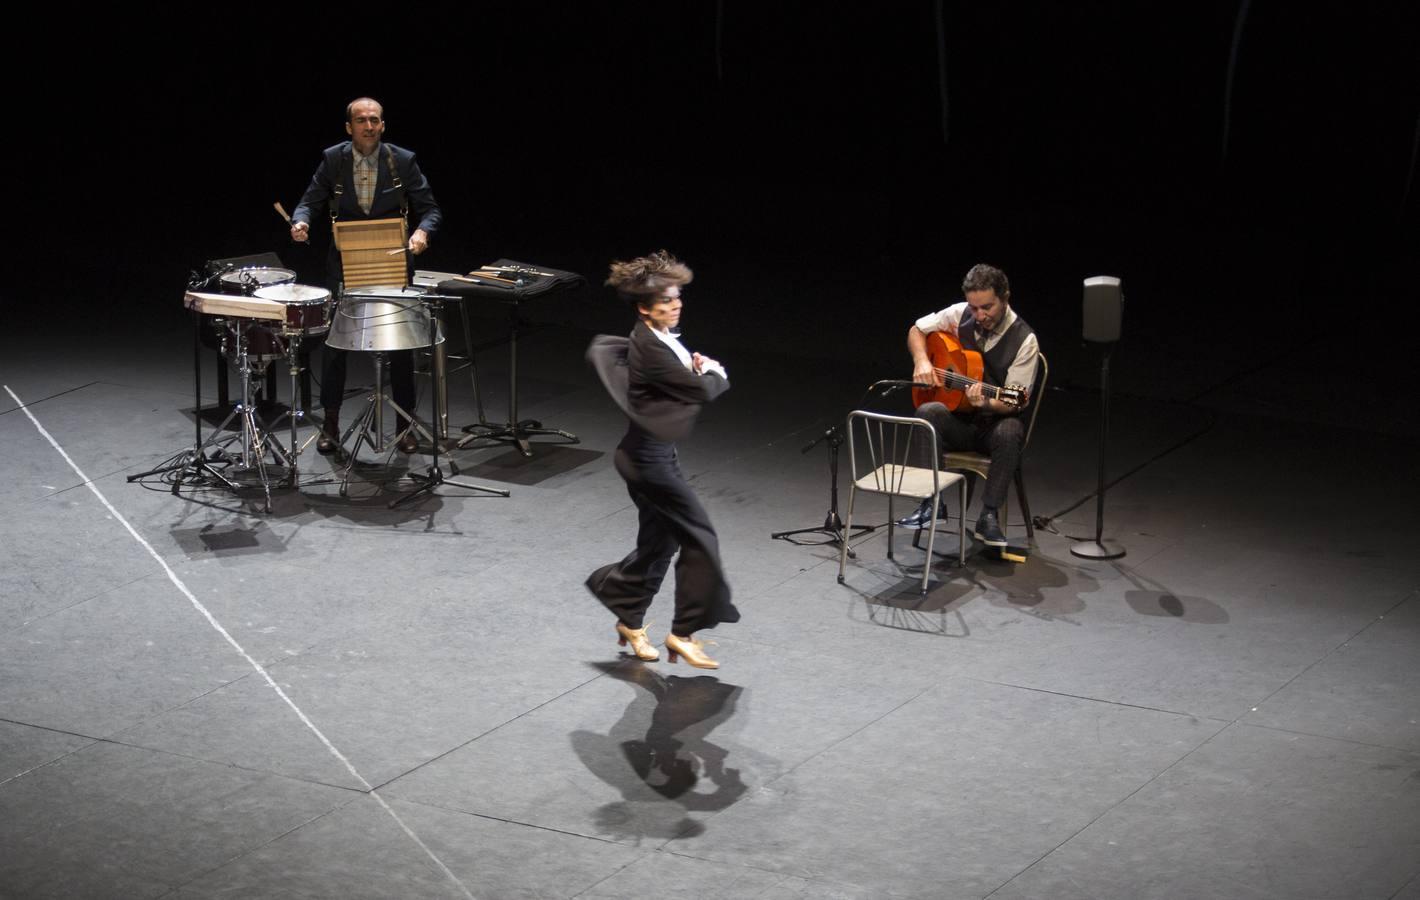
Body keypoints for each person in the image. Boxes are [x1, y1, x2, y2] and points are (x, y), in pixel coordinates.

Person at [585, 251, 739, 669]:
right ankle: (683, 633)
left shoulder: (659, 335)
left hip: (648, 455)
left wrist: (693, 368)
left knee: (661, 541)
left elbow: (680, 380)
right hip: (648, 463)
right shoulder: (651, 346)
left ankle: (627, 616)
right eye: (667, 301)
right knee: (700, 538)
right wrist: (713, 372)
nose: (676, 305)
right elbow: (703, 391)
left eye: (677, 298)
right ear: (644, 307)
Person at [291, 97, 442, 455]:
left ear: (383, 125)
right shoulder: (334, 158)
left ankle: (405, 427)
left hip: (391, 261)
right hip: (347, 261)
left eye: (375, 120)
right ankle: (330, 425)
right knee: (336, 345)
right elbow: (309, 201)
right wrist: (301, 221)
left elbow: (431, 210)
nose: (369, 126)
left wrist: (422, 233)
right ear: (349, 127)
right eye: (361, 120)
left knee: (401, 346)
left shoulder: (402, 160)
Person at [900, 263, 1040, 547]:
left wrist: (988, 401)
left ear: (1005, 297)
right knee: (928, 412)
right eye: (974, 308)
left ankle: (988, 517)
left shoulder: (1025, 340)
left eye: (987, 307)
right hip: (961, 423)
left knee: (1011, 429)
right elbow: (917, 329)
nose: (979, 315)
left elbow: (1016, 402)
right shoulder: (960, 313)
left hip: (994, 428)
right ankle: (931, 504)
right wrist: (922, 360)